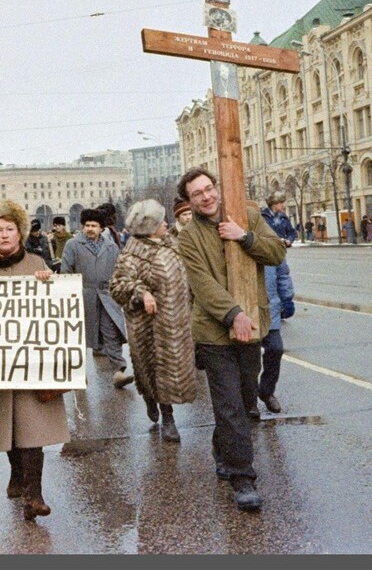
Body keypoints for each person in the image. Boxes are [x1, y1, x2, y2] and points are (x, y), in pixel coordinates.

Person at [175, 167, 285, 512]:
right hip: (214, 332)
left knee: (246, 398)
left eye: (209, 189)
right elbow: (203, 286)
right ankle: (243, 478)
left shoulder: (248, 217)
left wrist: (244, 236)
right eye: (198, 194)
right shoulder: (188, 237)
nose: (206, 197)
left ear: (217, 189)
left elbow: (276, 253)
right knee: (229, 405)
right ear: (189, 201)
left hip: (251, 326)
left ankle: (222, 448)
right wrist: (233, 314)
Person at [0, 199, 67, 521]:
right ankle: (17, 475)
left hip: (32, 366)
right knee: (7, 429)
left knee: (32, 429)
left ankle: (34, 494)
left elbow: (58, 310)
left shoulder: (38, 263)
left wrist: (50, 285)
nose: (5, 235)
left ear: (20, 233)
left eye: (10, 229)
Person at [110, 199, 196, 443]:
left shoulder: (173, 245)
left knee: (175, 369)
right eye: (160, 221)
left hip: (177, 322)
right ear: (149, 228)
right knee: (154, 370)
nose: (166, 223)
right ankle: (165, 415)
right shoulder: (131, 255)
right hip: (149, 326)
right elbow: (117, 286)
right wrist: (141, 292)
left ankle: (162, 405)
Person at [60, 208, 134, 389]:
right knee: (81, 336)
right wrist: (70, 294)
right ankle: (78, 374)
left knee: (111, 332)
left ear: (101, 228)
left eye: (94, 225)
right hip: (83, 296)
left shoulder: (111, 247)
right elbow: (65, 271)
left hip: (108, 297)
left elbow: (120, 271)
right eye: (87, 225)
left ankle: (119, 371)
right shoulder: (73, 245)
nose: (90, 229)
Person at [261, 191, 297, 319]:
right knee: (270, 282)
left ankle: (286, 306)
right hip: (268, 255)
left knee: (284, 279)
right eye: (281, 203)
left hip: (280, 254)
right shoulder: (263, 217)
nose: (283, 206)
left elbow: (292, 232)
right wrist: (275, 241)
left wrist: (289, 240)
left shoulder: (283, 217)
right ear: (273, 204)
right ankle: (272, 315)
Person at [258, 263, 285, 415]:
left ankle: (266, 391)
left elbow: (282, 274)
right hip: (244, 310)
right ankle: (249, 401)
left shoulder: (270, 240)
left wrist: (287, 298)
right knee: (250, 360)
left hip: (270, 310)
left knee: (275, 348)